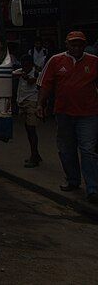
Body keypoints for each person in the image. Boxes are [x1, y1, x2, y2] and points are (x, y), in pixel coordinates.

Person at [37, 31, 98, 203]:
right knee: (66, 149)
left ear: (84, 45)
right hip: (63, 113)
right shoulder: (56, 61)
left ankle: (93, 188)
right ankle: (73, 180)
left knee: (88, 150)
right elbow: (45, 85)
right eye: (73, 44)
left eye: (79, 44)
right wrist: (40, 104)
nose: (76, 47)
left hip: (88, 114)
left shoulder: (93, 62)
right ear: (67, 45)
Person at [13, 55, 41, 168]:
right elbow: (12, 74)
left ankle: (34, 156)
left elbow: (31, 81)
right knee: (29, 130)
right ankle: (35, 154)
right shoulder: (21, 71)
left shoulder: (36, 72)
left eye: (26, 65)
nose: (24, 67)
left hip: (32, 102)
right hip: (22, 102)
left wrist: (24, 76)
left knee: (31, 130)